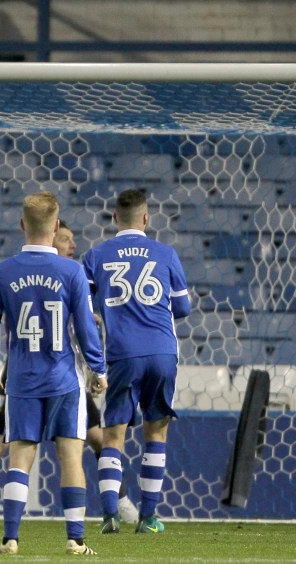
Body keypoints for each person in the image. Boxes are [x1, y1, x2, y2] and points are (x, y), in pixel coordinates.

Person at [0, 220, 139, 525]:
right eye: (66, 238)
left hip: (53, 374)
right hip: (32, 374)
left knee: (95, 439)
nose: (73, 245)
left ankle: (118, 502)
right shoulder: (26, 274)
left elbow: (87, 319)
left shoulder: (72, 275)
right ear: (50, 236)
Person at [0, 192, 106, 556]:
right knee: (71, 457)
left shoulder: (3, 272)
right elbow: (84, 327)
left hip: (22, 381)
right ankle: (75, 539)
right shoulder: (72, 271)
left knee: (20, 457)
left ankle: (11, 538)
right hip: (64, 379)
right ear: (56, 226)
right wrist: (98, 368)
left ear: (22, 224)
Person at [82, 189, 191, 534]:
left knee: (113, 436)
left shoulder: (96, 256)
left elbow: (83, 311)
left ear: (115, 218)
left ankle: (111, 515)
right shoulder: (166, 254)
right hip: (162, 351)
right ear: (146, 218)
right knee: (156, 432)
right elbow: (183, 308)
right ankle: (148, 517)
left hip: (121, 353)